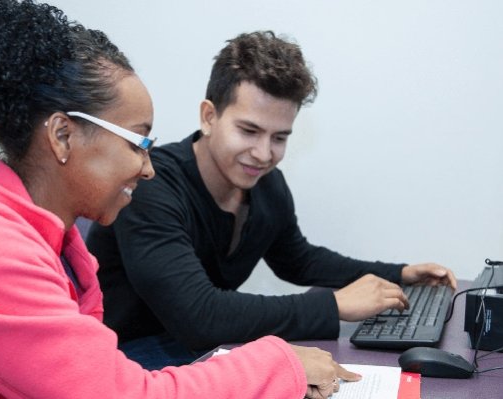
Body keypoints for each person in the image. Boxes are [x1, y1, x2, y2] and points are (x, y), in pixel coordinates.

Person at [0, 1, 360, 398]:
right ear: (64, 136)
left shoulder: (50, 238)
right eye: (138, 142)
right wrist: (282, 363)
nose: (148, 165)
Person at [86, 30, 458, 370]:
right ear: (209, 116)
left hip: (202, 348)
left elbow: (297, 259)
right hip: (128, 357)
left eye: (279, 138)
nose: (263, 154)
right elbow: (199, 315)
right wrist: (334, 305)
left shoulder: (267, 184)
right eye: (249, 131)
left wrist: (400, 274)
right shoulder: (152, 186)